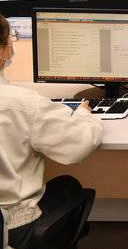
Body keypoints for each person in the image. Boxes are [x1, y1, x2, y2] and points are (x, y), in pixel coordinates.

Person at [0, 13, 103, 248]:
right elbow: (78, 146)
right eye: (10, 38)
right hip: (13, 228)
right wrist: (83, 114)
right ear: (2, 51)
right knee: (69, 186)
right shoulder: (23, 103)